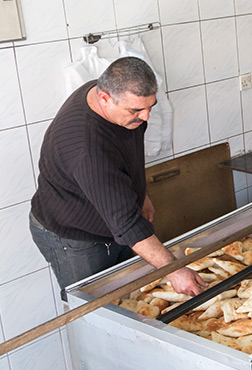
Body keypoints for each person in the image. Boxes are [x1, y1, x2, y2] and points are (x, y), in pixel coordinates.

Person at [30, 57, 207, 300]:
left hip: (110, 222)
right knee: (97, 310)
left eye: (150, 107)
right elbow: (127, 223)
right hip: (73, 236)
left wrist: (141, 194)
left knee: (131, 298)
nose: (145, 117)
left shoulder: (115, 99)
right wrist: (174, 270)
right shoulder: (86, 148)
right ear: (104, 98)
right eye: (136, 110)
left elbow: (127, 156)